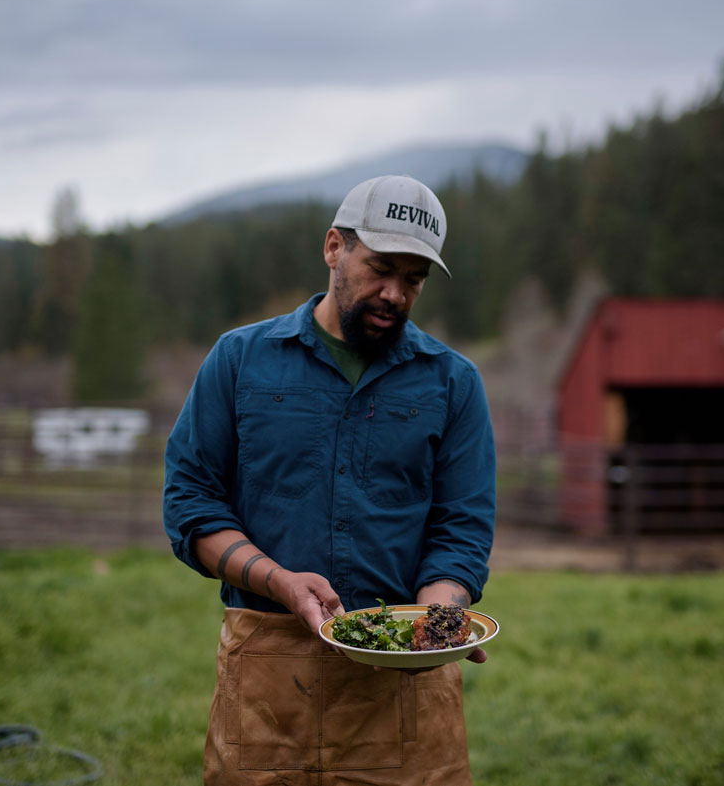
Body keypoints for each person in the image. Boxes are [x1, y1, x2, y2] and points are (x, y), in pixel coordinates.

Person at [163, 174, 496, 785]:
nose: (394, 293)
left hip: (403, 681)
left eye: (414, 279)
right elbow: (191, 505)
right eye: (381, 268)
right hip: (268, 673)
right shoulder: (240, 360)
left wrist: (439, 623)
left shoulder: (453, 383)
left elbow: (462, 530)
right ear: (334, 247)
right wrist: (281, 582)